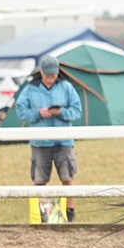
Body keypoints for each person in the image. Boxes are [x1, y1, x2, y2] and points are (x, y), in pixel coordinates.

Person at [15, 54, 82, 221]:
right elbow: (21, 110)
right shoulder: (30, 88)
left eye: (54, 75)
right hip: (39, 141)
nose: (51, 79)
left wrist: (61, 112)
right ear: (41, 72)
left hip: (63, 140)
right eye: (48, 75)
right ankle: (41, 214)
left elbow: (77, 110)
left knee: (67, 178)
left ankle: (70, 213)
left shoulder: (66, 87)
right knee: (39, 180)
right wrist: (37, 113)